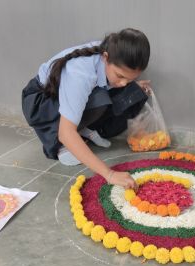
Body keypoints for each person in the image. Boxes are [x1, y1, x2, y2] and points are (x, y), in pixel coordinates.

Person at [22, 28, 151, 189]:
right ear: (105, 58)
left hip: (69, 93)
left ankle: (83, 128)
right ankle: (62, 145)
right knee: (97, 103)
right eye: (120, 76)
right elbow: (65, 133)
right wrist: (109, 174)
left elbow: (115, 82)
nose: (124, 83)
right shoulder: (80, 75)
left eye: (130, 78)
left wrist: (131, 86)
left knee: (128, 93)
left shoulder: (112, 51)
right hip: (41, 103)